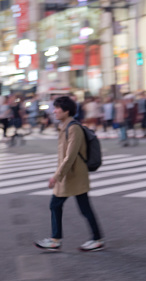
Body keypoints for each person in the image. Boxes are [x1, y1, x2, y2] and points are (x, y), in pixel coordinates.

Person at [34, 96, 104, 252]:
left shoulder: (73, 128)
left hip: (74, 175)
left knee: (80, 208)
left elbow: (70, 156)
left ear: (66, 110)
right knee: (58, 205)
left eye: (57, 108)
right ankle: (57, 239)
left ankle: (93, 239)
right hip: (68, 176)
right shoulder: (65, 126)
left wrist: (56, 176)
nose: (54, 111)